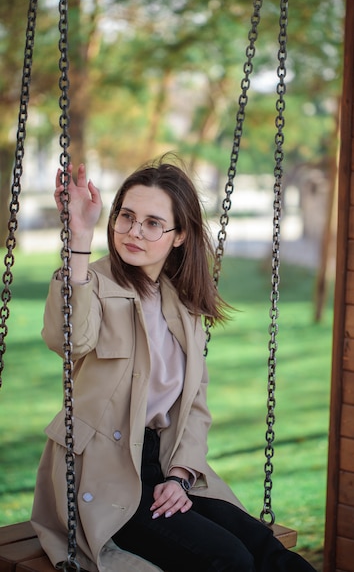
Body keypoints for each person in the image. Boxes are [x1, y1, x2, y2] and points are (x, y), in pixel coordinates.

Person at [31, 156, 316, 572]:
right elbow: (69, 340)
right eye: (126, 217)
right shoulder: (91, 283)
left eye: (152, 223)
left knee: (264, 547)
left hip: (165, 464)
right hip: (105, 473)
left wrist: (181, 475)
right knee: (228, 559)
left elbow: (194, 405)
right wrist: (78, 234)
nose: (133, 232)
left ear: (179, 235)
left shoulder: (182, 303)